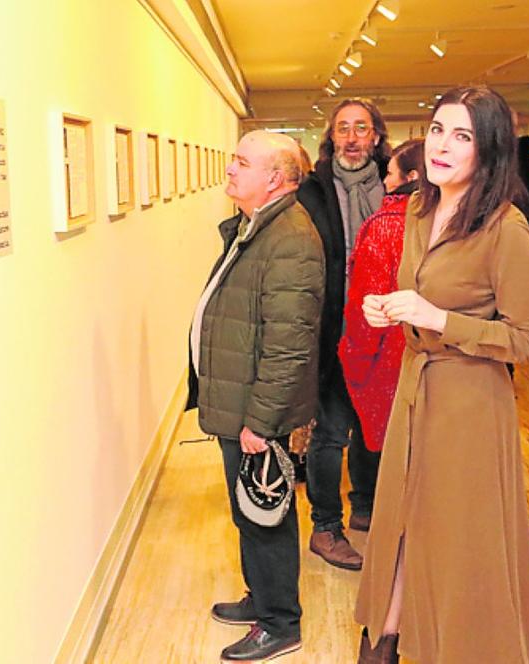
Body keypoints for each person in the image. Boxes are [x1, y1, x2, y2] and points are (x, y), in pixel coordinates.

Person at [354, 85, 529, 664]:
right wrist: (390, 306)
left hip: (469, 403)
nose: (441, 145)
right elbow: (425, 292)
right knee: (401, 523)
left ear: (488, 151)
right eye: (438, 129)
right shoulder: (422, 209)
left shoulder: (506, 230)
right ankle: (387, 637)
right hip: (418, 389)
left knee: (456, 541)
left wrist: (440, 318)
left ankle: (435, 647)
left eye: (461, 136)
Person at [187, 130, 325, 661]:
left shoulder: (289, 238)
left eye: (241, 162)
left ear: (273, 177)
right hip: (238, 400)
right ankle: (262, 598)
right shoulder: (256, 227)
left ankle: (279, 624)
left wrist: (261, 423)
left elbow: (288, 346)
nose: (229, 168)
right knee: (250, 511)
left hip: (256, 410)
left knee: (267, 512)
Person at [297, 98, 392, 569]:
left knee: (373, 427)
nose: (352, 138)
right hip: (333, 331)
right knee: (331, 431)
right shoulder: (312, 192)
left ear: (376, 136)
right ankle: (325, 526)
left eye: (362, 128)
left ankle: (368, 506)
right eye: (343, 129)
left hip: (385, 332)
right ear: (331, 137)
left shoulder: (400, 189)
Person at [337, 140, 421, 456]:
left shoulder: (385, 227)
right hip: (445, 369)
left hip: (390, 365)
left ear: (410, 176)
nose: (385, 182)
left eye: (390, 173)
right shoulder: (457, 224)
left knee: (394, 465)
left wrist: (353, 362)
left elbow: (367, 312)